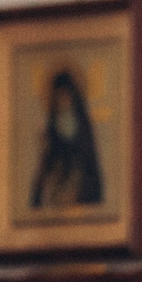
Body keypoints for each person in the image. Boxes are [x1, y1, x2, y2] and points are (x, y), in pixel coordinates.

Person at [29, 68, 105, 211]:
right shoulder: (50, 132)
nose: (63, 102)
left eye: (66, 97)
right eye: (58, 98)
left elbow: (92, 175)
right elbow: (42, 180)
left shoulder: (83, 131)